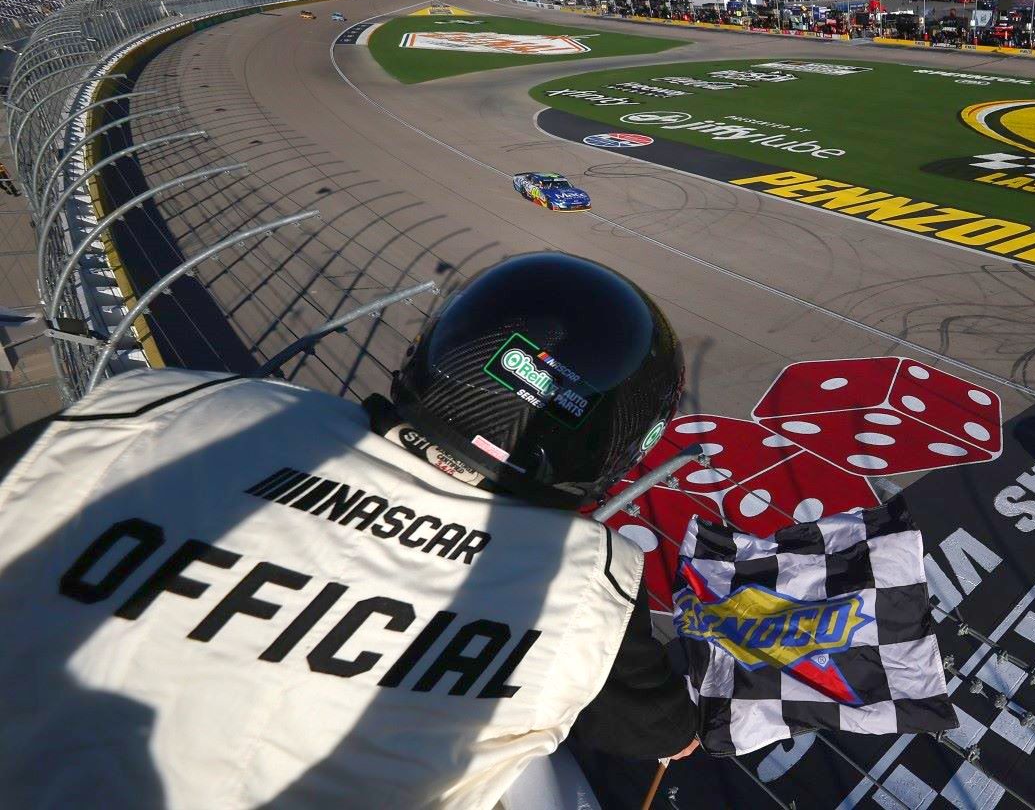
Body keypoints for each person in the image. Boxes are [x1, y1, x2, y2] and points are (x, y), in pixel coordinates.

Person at [0, 252, 699, 809]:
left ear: (441, 349)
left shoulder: (167, 402)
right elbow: (658, 730)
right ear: (620, 444)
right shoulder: (584, 580)